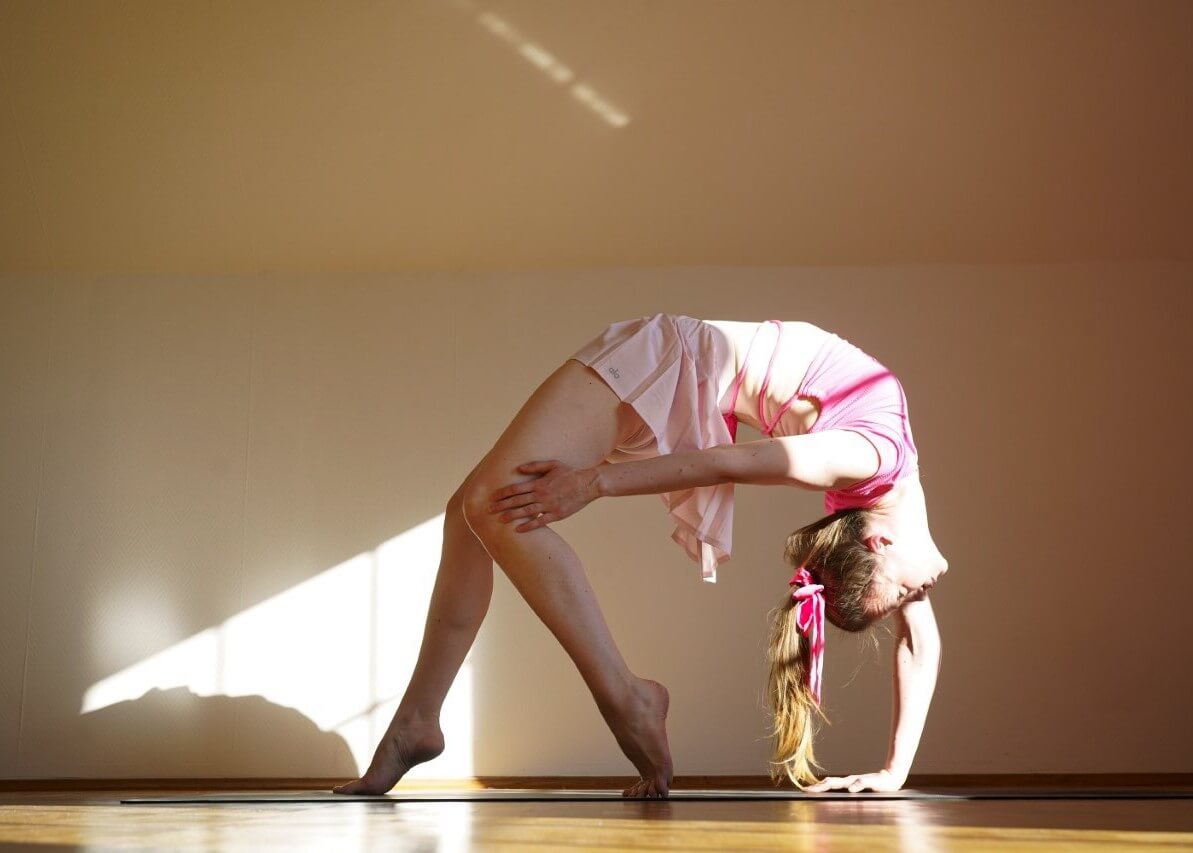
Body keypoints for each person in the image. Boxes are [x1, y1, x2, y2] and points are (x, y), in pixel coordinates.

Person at [332, 313, 948, 799]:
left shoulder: (884, 505)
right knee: (475, 507)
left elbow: (919, 642)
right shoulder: (864, 458)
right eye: (901, 594)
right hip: (676, 361)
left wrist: (895, 770)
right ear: (877, 543)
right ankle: (616, 695)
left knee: (486, 504)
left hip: (696, 388)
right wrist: (591, 481)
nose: (915, 598)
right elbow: (730, 461)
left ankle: (427, 719)